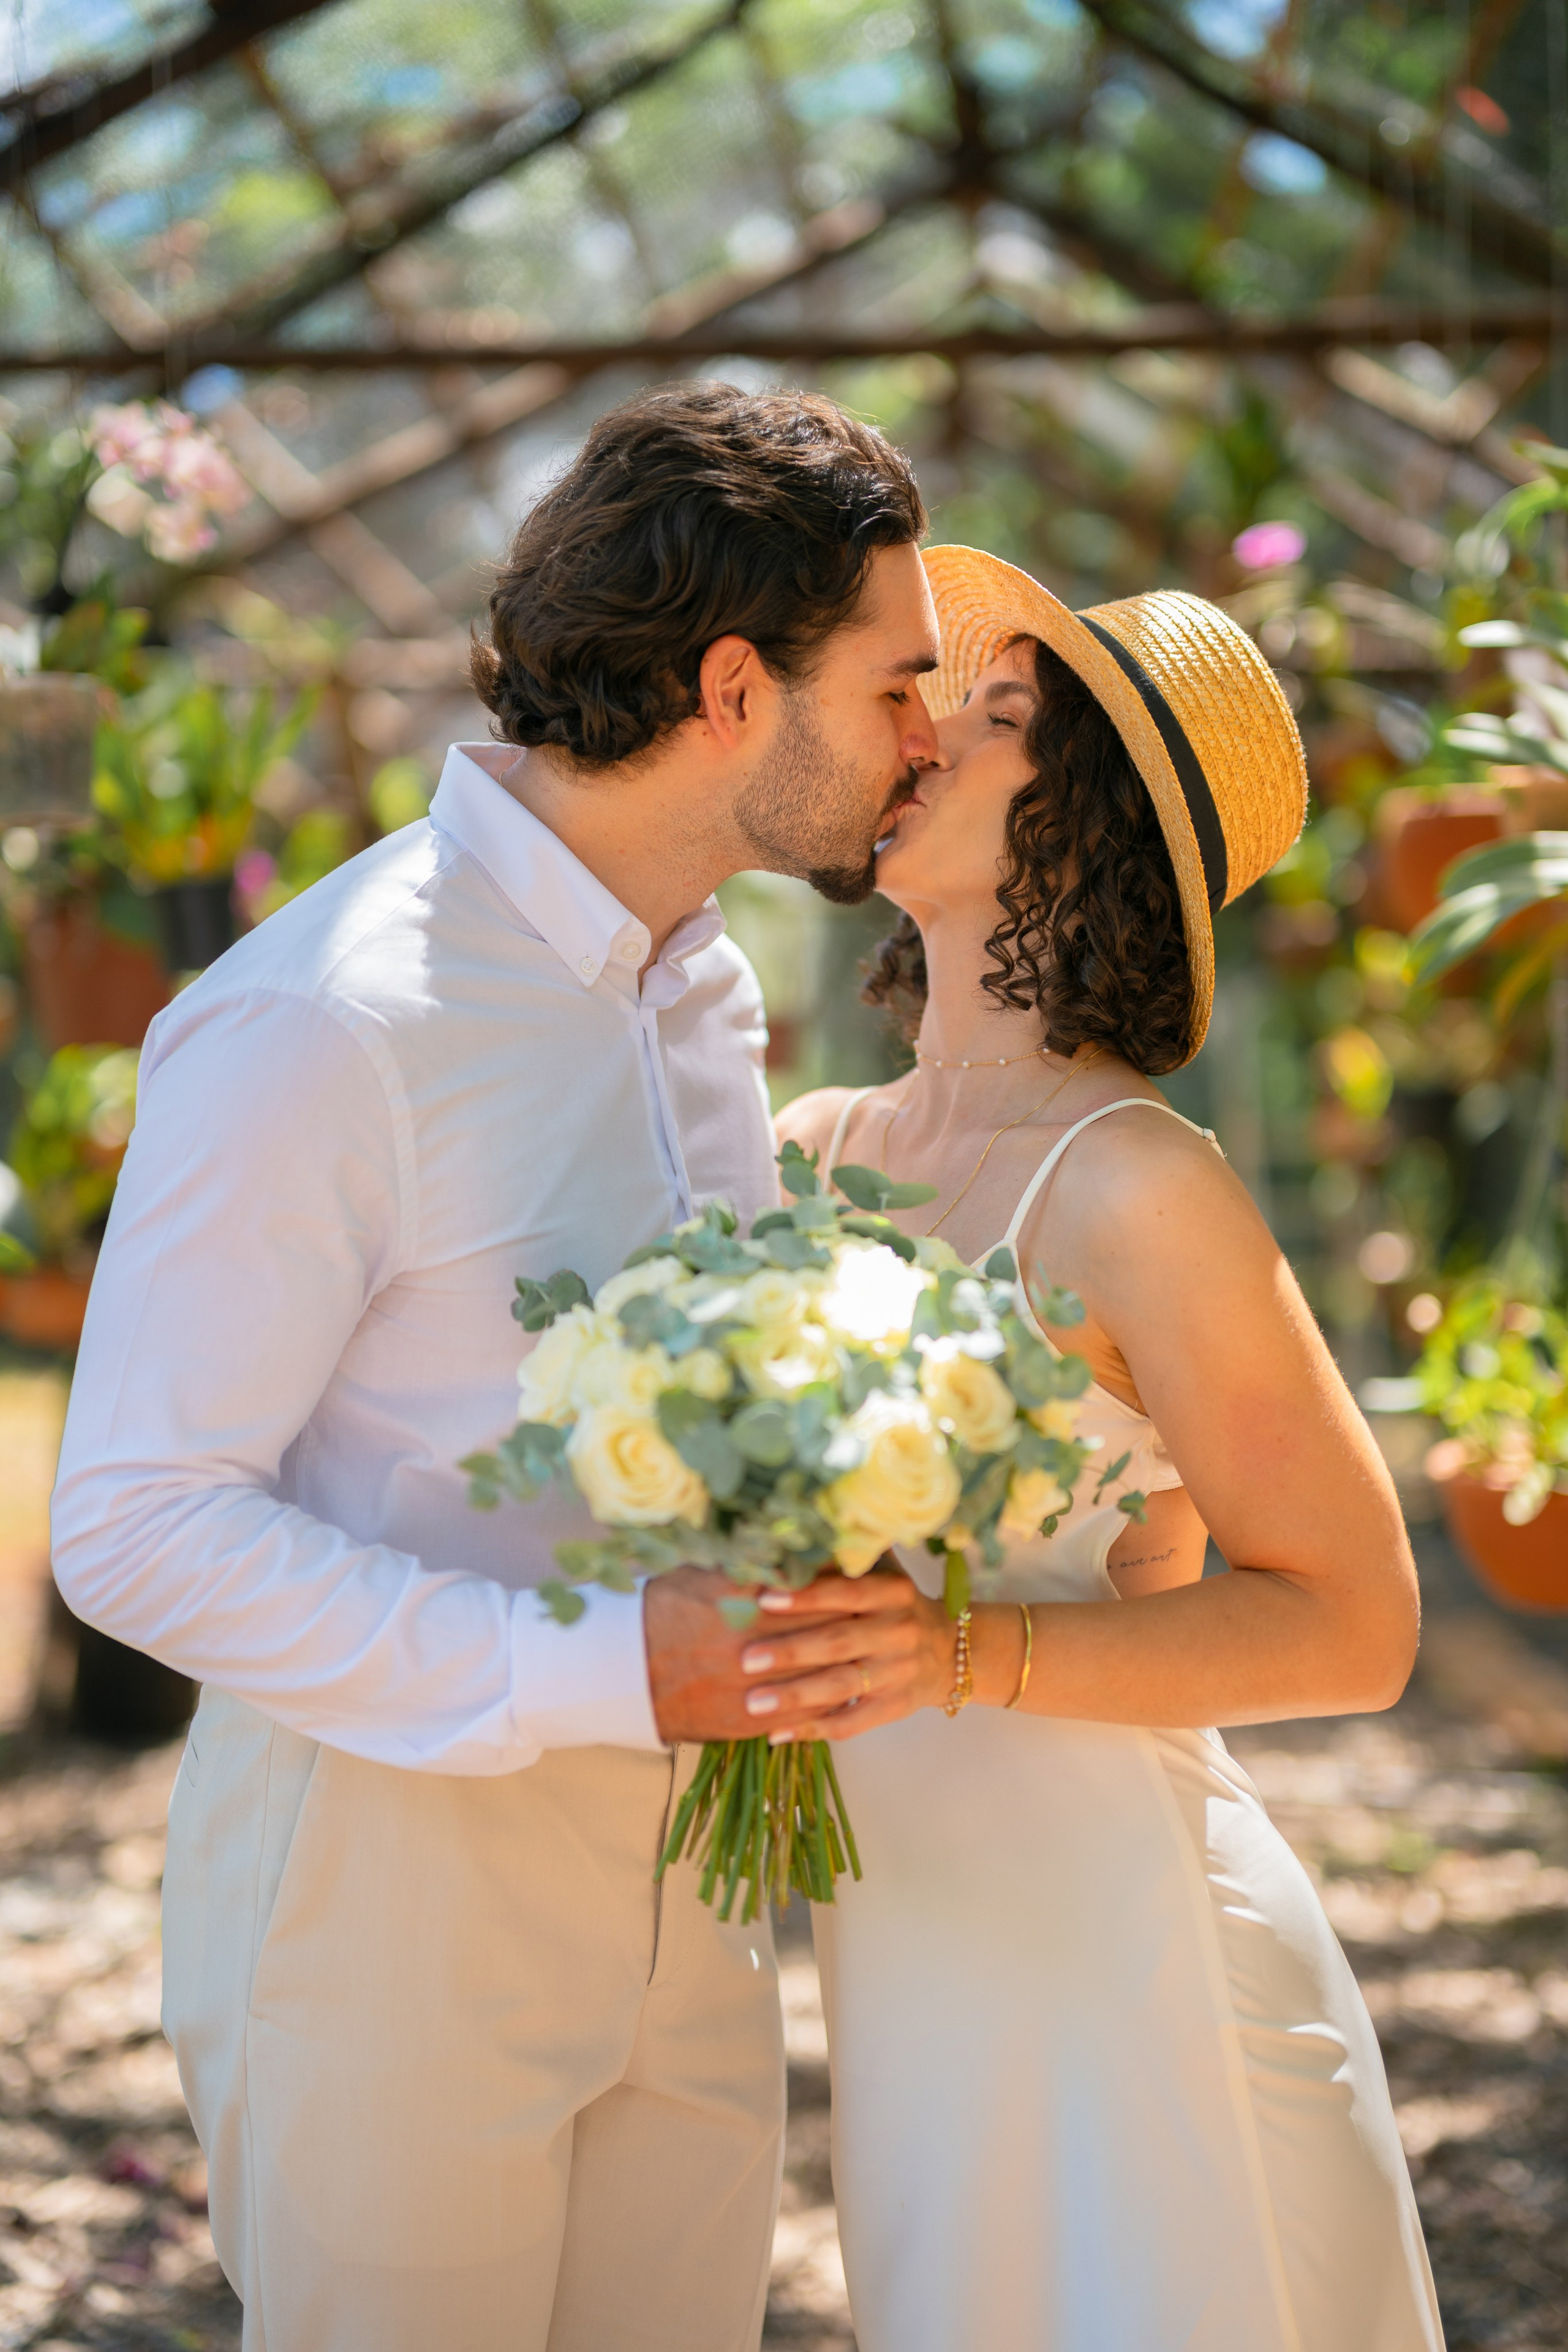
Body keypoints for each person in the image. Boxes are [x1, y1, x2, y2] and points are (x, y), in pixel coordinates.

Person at [48, 384, 948, 2352]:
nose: (929, 735)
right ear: (734, 687)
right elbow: (132, 1523)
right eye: (898, 684)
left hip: (698, 1874)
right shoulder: (325, 1017)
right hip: (389, 1894)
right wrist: (608, 1670)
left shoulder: (705, 989)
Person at [760, 546, 1445, 2350]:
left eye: (994, 716)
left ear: (1086, 830)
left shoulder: (1140, 1185)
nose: (923, 732)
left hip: (1138, 1975)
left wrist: (956, 1653)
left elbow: (1357, 1623)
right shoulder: (805, 1152)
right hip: (908, 1956)